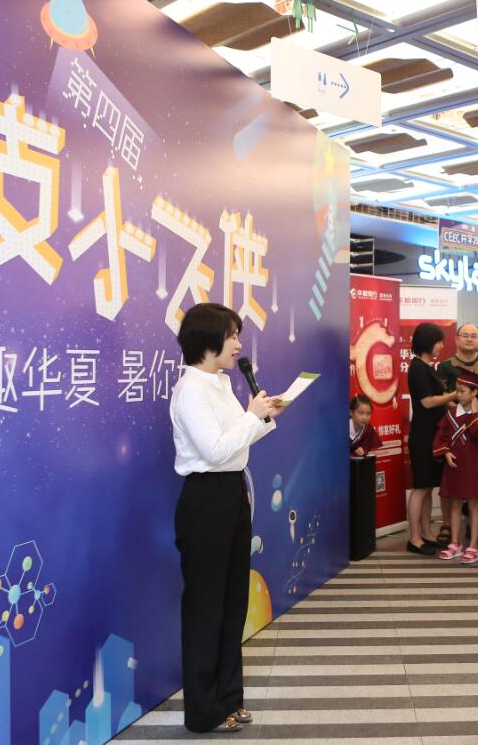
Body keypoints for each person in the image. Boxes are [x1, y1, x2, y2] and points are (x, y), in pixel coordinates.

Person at [171, 303, 284, 733]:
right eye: (232, 335)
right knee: (206, 607)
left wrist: (263, 417)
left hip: (232, 494)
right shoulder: (191, 390)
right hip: (205, 500)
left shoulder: (219, 383)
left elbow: (237, 444)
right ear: (208, 341)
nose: (239, 344)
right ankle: (204, 711)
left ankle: (229, 699)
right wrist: (252, 417)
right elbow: (215, 451)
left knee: (233, 602)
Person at [435, 323, 478, 545]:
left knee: (475, 482)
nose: (470, 339)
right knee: (450, 484)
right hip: (453, 423)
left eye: (474, 336)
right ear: (456, 338)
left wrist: (476, 414)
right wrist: (458, 414)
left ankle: (474, 526)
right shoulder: (445, 366)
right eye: (465, 335)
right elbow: (443, 394)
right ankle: (447, 525)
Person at [406, 323, 458, 555]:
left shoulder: (428, 368)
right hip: (423, 436)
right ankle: (414, 538)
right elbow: (427, 402)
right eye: (438, 341)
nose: (441, 346)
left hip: (434, 435)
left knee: (427, 488)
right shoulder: (417, 368)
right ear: (428, 342)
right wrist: (453, 394)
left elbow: (440, 400)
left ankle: (426, 533)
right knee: (420, 488)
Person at [433, 369, 478, 565]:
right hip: (455, 466)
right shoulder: (450, 414)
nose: (458, 395)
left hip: (473, 466)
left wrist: (475, 413)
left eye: (462, 391)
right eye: (457, 391)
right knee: (455, 504)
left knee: (474, 505)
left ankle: (473, 546)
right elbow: (441, 437)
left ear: (474, 393)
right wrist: (445, 452)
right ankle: (455, 543)